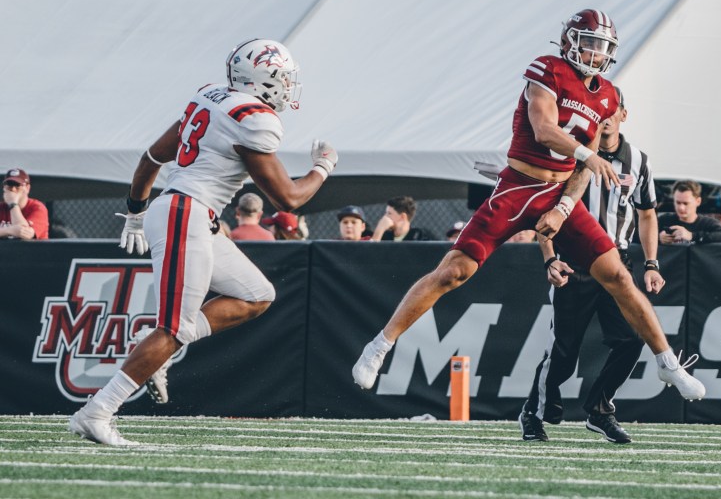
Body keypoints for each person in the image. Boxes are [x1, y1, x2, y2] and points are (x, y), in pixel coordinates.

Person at [352, 9, 705, 412]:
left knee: (619, 276)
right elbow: (543, 129)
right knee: (453, 272)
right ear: (570, 41)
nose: (594, 53)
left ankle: (667, 363)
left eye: (601, 47)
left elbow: (578, 171)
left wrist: (566, 206)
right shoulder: (547, 70)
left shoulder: (606, 94)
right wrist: (589, 156)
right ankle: (380, 345)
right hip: (519, 187)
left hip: (559, 195)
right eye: (588, 43)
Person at [69, 38, 337, 446]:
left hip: (189, 213)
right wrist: (323, 166)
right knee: (171, 328)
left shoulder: (209, 99)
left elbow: (151, 158)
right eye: (281, 78)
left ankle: (159, 348)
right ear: (260, 79)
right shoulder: (254, 119)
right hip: (185, 213)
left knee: (256, 295)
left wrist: (138, 210)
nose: (285, 86)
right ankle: (97, 411)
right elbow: (289, 198)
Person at [521, 86, 662, 444]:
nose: (607, 118)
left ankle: (600, 409)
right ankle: (533, 411)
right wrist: (549, 257)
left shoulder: (639, 161)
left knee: (633, 337)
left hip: (617, 263)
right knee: (564, 350)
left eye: (614, 111)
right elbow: (547, 211)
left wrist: (651, 262)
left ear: (624, 115)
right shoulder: (570, 156)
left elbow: (647, 215)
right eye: (602, 112)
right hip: (576, 261)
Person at [657, 180, 721, 245]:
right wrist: (658, 238)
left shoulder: (707, 224)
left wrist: (692, 236)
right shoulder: (664, 220)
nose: (681, 207)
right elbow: (646, 235)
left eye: (686, 203)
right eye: (678, 203)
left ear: (698, 201)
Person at [0, 168, 48, 240]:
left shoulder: (37, 208)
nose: (13, 189)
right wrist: (10, 230)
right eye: (9, 185)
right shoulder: (1, 207)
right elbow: (18, 231)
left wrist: (13, 204)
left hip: (32, 250)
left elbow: (24, 234)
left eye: (17, 185)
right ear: (4, 188)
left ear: (27, 188)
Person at [370, 196, 434, 241]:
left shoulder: (419, 236)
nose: (385, 217)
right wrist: (379, 230)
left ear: (402, 217)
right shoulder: (384, 237)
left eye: (389, 213)